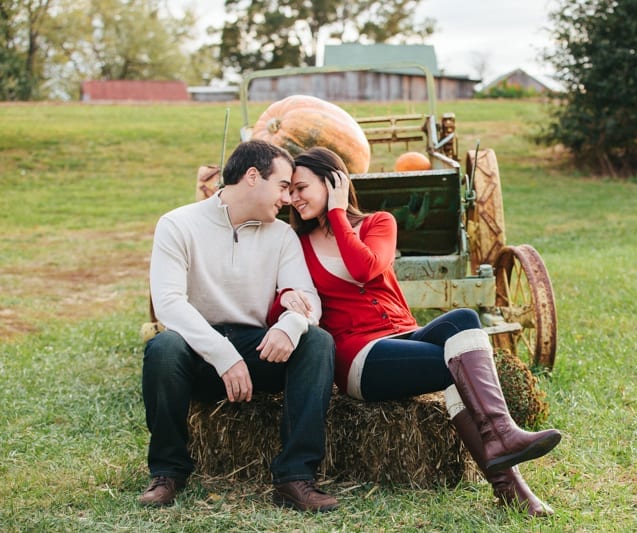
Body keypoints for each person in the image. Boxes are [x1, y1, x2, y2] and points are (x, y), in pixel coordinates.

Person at [288, 146, 562, 517]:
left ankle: (504, 448)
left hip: (405, 333)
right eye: (289, 190)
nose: (293, 197)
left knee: (464, 318)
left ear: (333, 181)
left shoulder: (378, 223)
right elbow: (354, 273)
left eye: (301, 187)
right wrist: (333, 215)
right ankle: (508, 468)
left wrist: (338, 212)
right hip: (358, 357)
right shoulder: (298, 245)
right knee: (458, 366)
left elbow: (366, 264)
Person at [140, 140, 338, 513]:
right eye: (282, 186)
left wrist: (290, 325)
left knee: (317, 342)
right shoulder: (177, 224)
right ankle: (168, 470)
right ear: (252, 177)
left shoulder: (281, 236)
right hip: (197, 350)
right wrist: (222, 355)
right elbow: (168, 304)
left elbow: (307, 299)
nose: (287, 198)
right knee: (163, 349)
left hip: (256, 350)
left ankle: (295, 476)